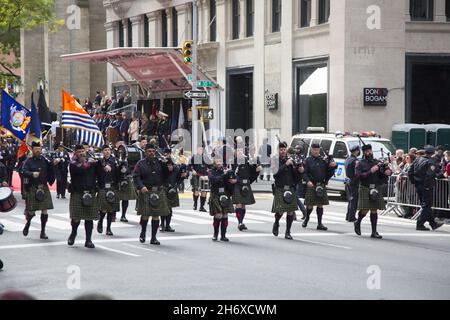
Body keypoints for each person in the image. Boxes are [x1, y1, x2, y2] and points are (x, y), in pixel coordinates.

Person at [133, 143, 173, 245]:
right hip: (146, 191)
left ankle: (153, 238)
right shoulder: (140, 164)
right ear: (145, 152)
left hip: (158, 191)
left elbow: (166, 174)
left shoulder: (159, 162)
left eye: (153, 151)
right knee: (145, 215)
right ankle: (143, 232)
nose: (152, 153)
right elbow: (136, 177)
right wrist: (141, 186)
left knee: (156, 215)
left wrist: (169, 167)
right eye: (149, 151)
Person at [68, 145, 104, 249]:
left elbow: (100, 174)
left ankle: (88, 240)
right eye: (79, 152)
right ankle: (73, 233)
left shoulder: (92, 162)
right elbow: (82, 168)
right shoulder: (73, 163)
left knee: (89, 218)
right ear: (75, 153)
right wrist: (91, 162)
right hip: (77, 193)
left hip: (90, 192)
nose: (81, 153)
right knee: (76, 218)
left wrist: (101, 164)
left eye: (83, 151)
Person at [354, 144, 392, 239]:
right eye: (367, 151)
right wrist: (370, 171)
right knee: (365, 209)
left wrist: (388, 172)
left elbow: (386, 171)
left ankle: (374, 232)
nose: (369, 152)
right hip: (365, 187)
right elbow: (358, 176)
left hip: (376, 187)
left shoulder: (377, 162)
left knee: (374, 209)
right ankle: (358, 222)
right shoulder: (360, 163)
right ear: (364, 152)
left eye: (370, 151)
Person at [21, 142, 56, 240]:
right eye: (36, 149)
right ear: (32, 149)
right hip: (33, 187)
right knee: (31, 212)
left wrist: (54, 163)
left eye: (39, 149)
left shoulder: (44, 159)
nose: (38, 150)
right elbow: (23, 171)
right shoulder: (28, 161)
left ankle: (43, 231)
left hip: (43, 187)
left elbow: (51, 167)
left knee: (44, 210)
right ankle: (28, 223)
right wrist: (32, 174)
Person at [270, 142, 303, 240]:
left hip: (291, 188)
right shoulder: (275, 160)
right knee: (280, 211)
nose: (283, 151)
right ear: (278, 150)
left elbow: (296, 176)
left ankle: (288, 232)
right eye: (281, 149)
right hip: (280, 188)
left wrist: (300, 171)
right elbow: (275, 174)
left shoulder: (291, 160)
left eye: (284, 149)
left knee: (290, 212)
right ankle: (276, 223)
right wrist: (285, 164)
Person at [408, 145, 444, 231]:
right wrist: (427, 186)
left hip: (418, 185)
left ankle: (433, 223)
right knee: (427, 205)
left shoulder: (417, 160)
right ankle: (420, 223)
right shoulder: (430, 162)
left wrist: (414, 182)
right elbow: (429, 175)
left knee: (425, 205)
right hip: (426, 186)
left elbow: (410, 172)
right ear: (432, 153)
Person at [302, 144, 338, 231]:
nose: (316, 151)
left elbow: (329, 172)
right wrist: (308, 181)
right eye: (314, 150)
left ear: (319, 150)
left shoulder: (323, 160)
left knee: (320, 205)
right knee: (310, 205)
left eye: (317, 150)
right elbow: (304, 173)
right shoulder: (307, 161)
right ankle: (307, 218)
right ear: (311, 150)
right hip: (312, 184)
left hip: (321, 185)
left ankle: (319, 223)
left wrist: (333, 166)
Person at [232, 148, 261, 231]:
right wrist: (235, 180)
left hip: (246, 185)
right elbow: (231, 174)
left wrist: (257, 170)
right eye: (238, 151)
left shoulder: (247, 161)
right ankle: (240, 222)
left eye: (241, 151)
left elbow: (252, 173)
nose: (240, 152)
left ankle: (241, 222)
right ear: (235, 153)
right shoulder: (233, 162)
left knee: (243, 204)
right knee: (239, 204)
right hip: (237, 184)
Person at [208, 158, 237, 241]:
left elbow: (233, 179)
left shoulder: (226, 171)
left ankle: (223, 235)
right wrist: (223, 175)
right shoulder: (211, 171)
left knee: (225, 215)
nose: (219, 163)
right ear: (214, 163)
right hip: (215, 194)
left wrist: (233, 179)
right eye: (217, 161)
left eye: (220, 161)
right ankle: (215, 234)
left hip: (225, 194)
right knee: (218, 215)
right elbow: (213, 180)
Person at [160, 148, 187, 232]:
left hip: (172, 188)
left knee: (170, 208)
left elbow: (180, 178)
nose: (169, 167)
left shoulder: (176, 168)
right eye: (168, 165)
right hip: (164, 188)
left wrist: (175, 187)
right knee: (163, 207)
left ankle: (168, 225)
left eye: (170, 165)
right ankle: (162, 224)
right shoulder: (162, 167)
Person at [97, 145, 120, 236]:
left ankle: (108, 228)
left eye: (109, 150)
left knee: (111, 209)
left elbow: (118, 173)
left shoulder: (115, 161)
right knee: (103, 209)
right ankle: (100, 222)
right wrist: (103, 166)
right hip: (103, 186)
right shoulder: (100, 161)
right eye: (105, 150)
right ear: (102, 152)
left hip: (112, 186)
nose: (107, 151)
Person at [116, 144, 137, 222]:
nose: (121, 152)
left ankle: (123, 215)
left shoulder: (128, 159)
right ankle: (112, 214)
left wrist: (126, 169)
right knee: (114, 199)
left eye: (122, 151)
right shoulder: (114, 158)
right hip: (117, 180)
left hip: (126, 179)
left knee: (125, 199)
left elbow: (133, 169)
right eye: (119, 151)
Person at [189, 146, 211, 212]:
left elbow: (211, 166)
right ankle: (195, 204)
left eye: (201, 149)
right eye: (199, 149)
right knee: (196, 191)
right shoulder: (194, 157)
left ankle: (202, 206)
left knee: (204, 191)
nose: (200, 150)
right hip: (196, 176)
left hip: (204, 176)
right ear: (197, 150)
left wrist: (209, 171)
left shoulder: (206, 157)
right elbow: (189, 165)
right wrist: (192, 170)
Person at [345, 145, 361, 222]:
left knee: (351, 199)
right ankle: (351, 217)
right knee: (354, 200)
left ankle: (348, 215)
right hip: (353, 181)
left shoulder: (348, 159)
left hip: (348, 181)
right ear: (356, 151)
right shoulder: (355, 160)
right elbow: (357, 172)